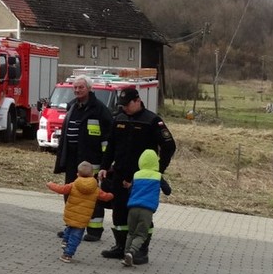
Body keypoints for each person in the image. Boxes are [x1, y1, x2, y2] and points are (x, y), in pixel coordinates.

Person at [100, 86, 176, 260]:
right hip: (120, 173)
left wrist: (157, 171)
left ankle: (141, 250)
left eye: (127, 104)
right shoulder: (119, 118)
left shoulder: (152, 120)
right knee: (119, 211)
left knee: (141, 215)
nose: (124, 108)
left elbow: (169, 146)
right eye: (122, 105)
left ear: (137, 101)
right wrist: (104, 166)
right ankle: (121, 246)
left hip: (142, 178)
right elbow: (111, 145)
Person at [52, 75, 115, 241]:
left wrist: (105, 162)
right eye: (75, 87)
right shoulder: (72, 106)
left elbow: (108, 138)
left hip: (91, 161)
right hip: (72, 159)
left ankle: (94, 230)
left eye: (81, 87)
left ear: (89, 88)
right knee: (71, 194)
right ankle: (72, 227)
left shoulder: (99, 109)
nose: (77, 90)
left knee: (92, 195)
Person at [47, 161, 114, 262]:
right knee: (76, 237)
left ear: (78, 174)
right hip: (83, 219)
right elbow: (105, 197)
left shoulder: (73, 185)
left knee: (69, 228)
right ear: (92, 174)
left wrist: (50, 184)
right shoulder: (95, 189)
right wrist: (112, 195)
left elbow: (61, 189)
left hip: (71, 215)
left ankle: (65, 241)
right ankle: (67, 255)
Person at [121, 148, 163, 266]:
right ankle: (132, 252)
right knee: (141, 234)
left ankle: (126, 254)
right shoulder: (158, 176)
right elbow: (168, 191)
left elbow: (130, 190)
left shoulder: (136, 175)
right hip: (147, 209)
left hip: (133, 208)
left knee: (131, 233)